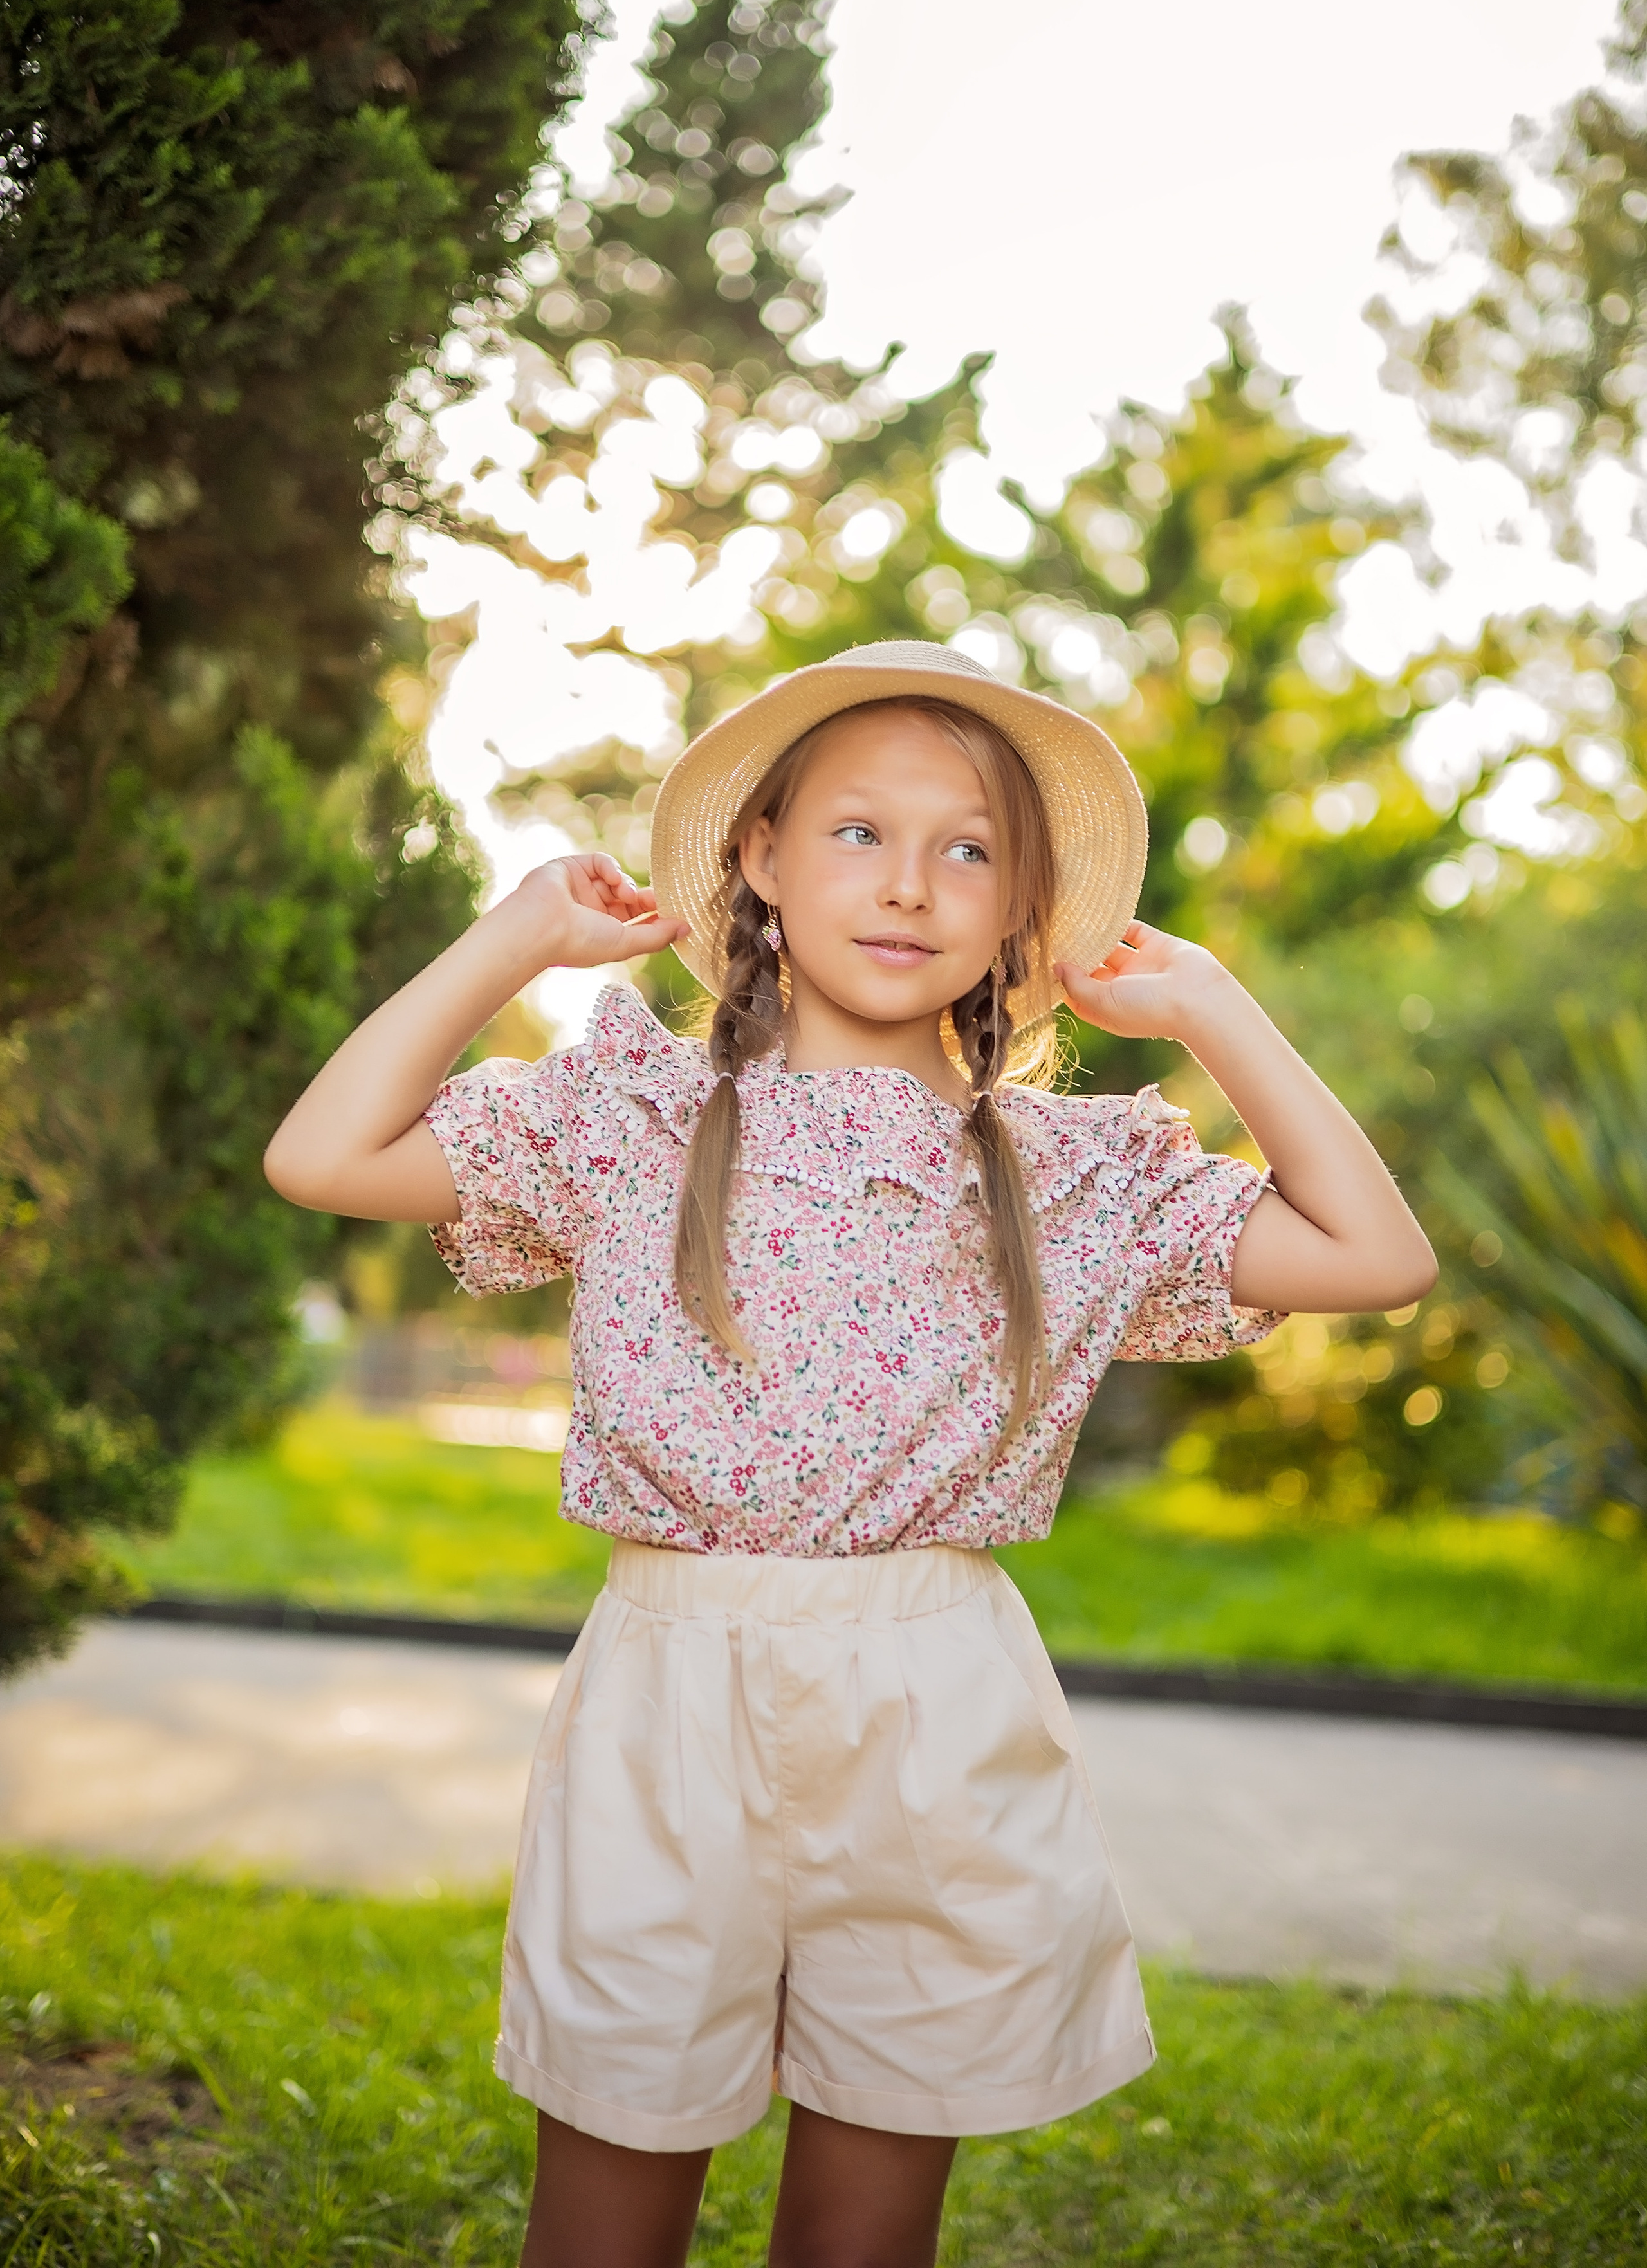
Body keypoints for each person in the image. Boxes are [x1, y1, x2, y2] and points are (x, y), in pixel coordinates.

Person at [265, 638, 1435, 2268]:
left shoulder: (1070, 1173)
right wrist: (516, 933)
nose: (909, 886)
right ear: (755, 856)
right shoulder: (629, 1116)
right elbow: (321, 1153)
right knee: (604, 2208)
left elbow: (1377, 1260)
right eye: (856, 832)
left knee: (864, 2231)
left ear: (1022, 908)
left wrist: (1216, 1012)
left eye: (970, 849)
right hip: (669, 1692)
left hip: (938, 1703)